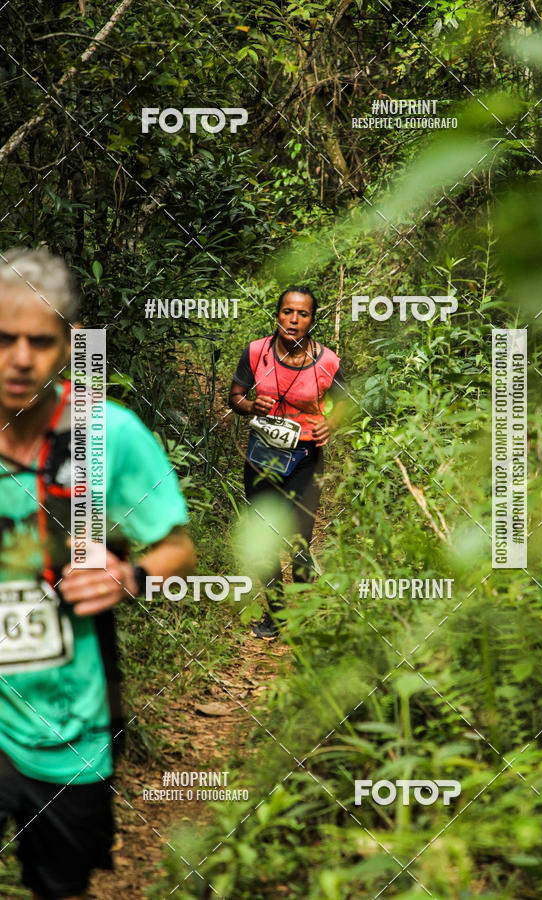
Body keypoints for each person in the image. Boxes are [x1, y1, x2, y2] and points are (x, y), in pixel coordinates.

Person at [0, 248, 196, 900]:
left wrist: (129, 575)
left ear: (68, 346)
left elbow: (178, 551)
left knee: (61, 885)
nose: (20, 358)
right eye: (3, 339)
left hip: (67, 724)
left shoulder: (107, 434)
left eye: (39, 341)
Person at [228, 286, 347, 639]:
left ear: (312, 320)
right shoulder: (256, 352)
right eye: (287, 312)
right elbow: (235, 397)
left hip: (305, 457)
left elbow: (344, 402)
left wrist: (330, 423)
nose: (293, 320)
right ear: (277, 314)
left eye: (303, 314)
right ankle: (277, 614)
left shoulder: (328, 361)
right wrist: (251, 406)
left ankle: (305, 610)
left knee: (299, 538)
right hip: (262, 456)